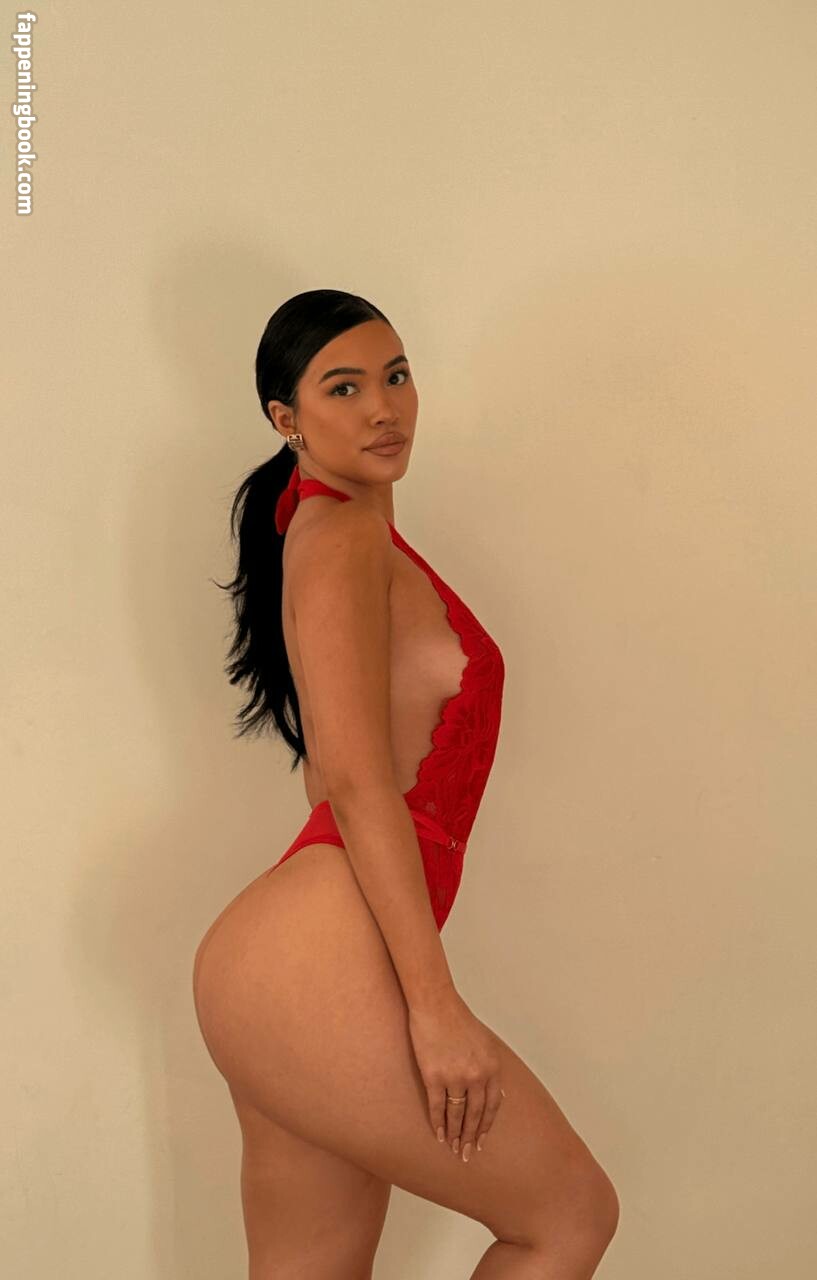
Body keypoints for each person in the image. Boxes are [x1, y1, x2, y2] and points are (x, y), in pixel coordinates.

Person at [192, 289, 619, 1278]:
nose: (383, 407)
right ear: (286, 418)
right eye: (343, 388)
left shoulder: (333, 533)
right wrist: (433, 1006)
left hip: (287, 967)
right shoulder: (339, 537)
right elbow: (352, 782)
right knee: (568, 1217)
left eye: (396, 375)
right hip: (313, 963)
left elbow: (335, 773)